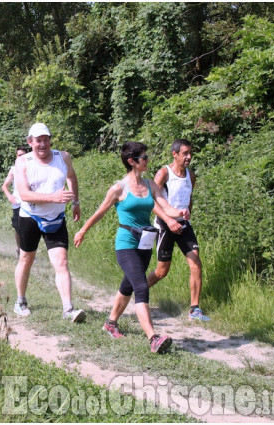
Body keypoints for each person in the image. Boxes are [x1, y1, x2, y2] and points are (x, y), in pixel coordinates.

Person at [73, 141, 190, 354]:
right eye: (143, 158)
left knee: (128, 286)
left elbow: (165, 206)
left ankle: (110, 323)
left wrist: (180, 213)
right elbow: (100, 212)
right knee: (141, 287)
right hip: (126, 244)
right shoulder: (118, 188)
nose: (147, 160)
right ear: (132, 161)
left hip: (145, 243)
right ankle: (153, 338)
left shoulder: (150, 185)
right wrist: (82, 231)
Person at [13, 123, 85, 323]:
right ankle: (20, 301)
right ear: (30, 142)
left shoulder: (63, 157)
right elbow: (25, 195)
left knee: (61, 261)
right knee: (26, 258)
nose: (42, 144)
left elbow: (71, 176)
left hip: (56, 218)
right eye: (38, 140)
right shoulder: (23, 162)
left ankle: (68, 309)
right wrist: (54, 197)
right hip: (30, 217)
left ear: (50, 140)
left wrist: (76, 202)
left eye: (45, 139)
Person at [147, 139, 209, 321]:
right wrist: (168, 219)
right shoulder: (164, 173)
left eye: (191, 153)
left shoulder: (191, 175)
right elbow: (151, 201)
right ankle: (137, 291)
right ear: (175, 154)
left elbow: (189, 197)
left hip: (183, 225)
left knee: (196, 264)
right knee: (161, 272)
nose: (189, 157)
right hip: (165, 225)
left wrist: (187, 213)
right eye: (185, 153)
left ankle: (195, 310)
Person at [1, 145, 29, 258]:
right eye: (19, 155)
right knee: (18, 228)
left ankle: (28, 251)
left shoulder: (33, 167)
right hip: (17, 202)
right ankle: (19, 248)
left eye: (23, 155)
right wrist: (9, 196)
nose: (21, 157)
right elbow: (4, 186)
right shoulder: (13, 169)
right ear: (16, 157)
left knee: (29, 228)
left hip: (30, 202)